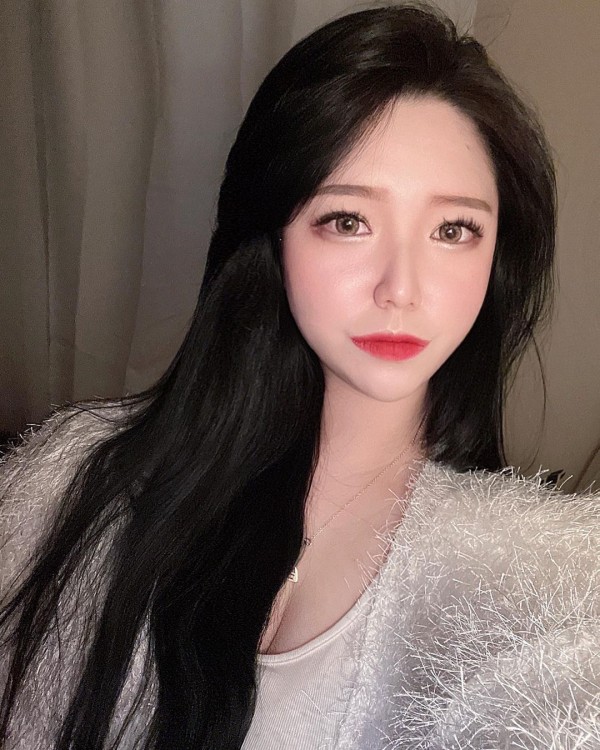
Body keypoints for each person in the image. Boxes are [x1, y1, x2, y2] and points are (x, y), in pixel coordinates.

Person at [0, 3, 598, 749]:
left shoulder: (535, 582)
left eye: (454, 230)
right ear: (272, 237)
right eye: (348, 221)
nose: (401, 288)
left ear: (498, 257)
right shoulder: (72, 479)